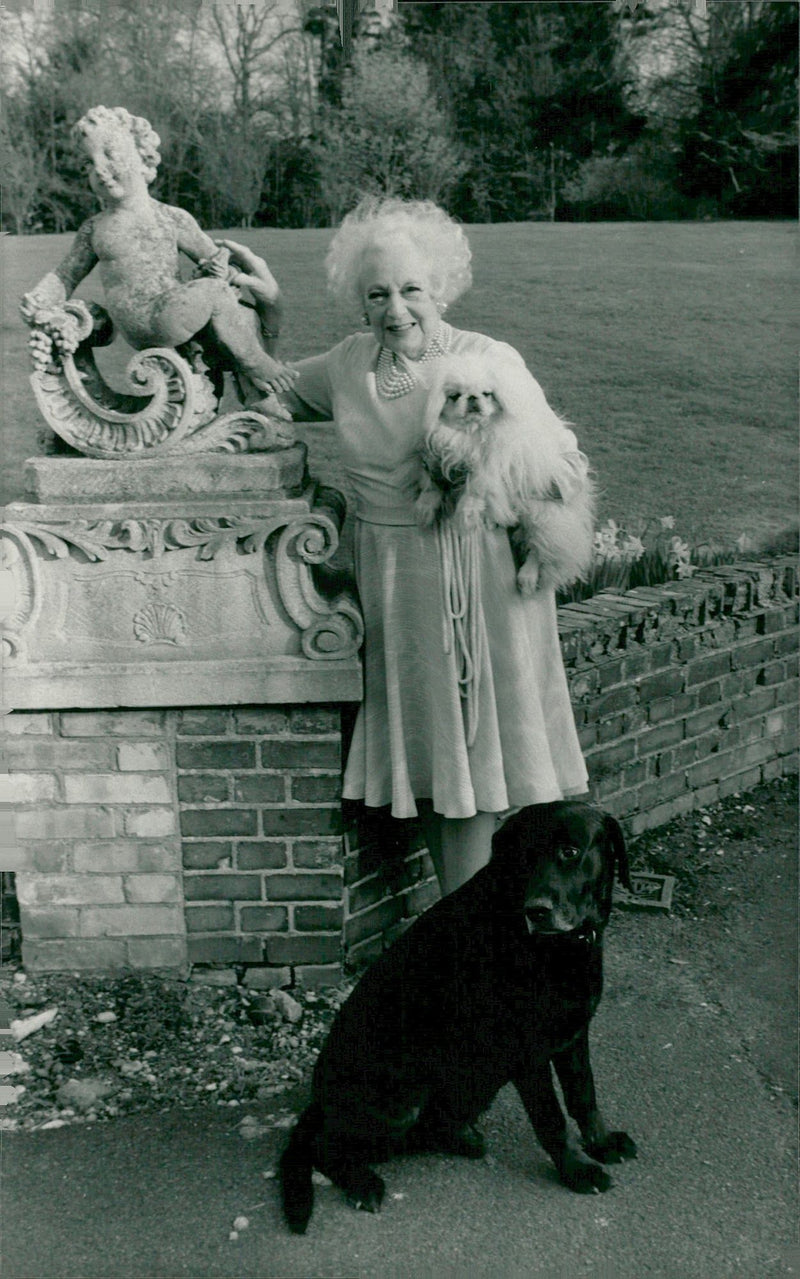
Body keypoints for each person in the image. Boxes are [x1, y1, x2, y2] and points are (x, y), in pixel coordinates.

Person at [220, 197, 590, 895]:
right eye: (378, 293)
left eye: (412, 289)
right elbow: (262, 392)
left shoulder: (487, 361)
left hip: (475, 577)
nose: (397, 309)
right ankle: (462, 925)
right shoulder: (347, 365)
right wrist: (266, 318)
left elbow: (560, 464)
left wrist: (495, 481)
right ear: (359, 302)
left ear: (440, 288)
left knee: (474, 750)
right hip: (392, 580)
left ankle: (470, 930)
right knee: (430, 755)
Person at [20, 106, 296, 399]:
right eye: (88, 163)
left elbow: (217, 261)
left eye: (109, 154)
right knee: (216, 295)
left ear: (143, 158)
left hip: (176, 313)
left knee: (238, 313)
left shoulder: (173, 218)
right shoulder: (95, 228)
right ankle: (259, 365)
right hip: (147, 321)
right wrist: (38, 299)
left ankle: (256, 401)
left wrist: (222, 270)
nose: (99, 168)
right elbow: (65, 275)